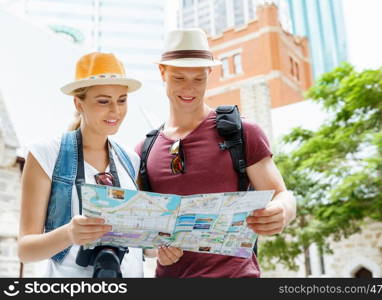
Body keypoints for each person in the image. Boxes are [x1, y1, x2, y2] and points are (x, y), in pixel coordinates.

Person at [135, 28, 297, 278]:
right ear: (162, 73)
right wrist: (156, 249)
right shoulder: (144, 151)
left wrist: (282, 211)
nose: (189, 89)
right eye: (179, 78)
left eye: (198, 79)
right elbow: (141, 230)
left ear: (209, 74)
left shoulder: (243, 133)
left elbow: (282, 195)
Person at [18, 52, 145, 277]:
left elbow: (143, 248)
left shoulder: (131, 159)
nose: (115, 111)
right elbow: (25, 250)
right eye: (103, 101)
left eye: (122, 100)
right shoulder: (46, 154)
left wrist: (160, 247)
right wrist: (69, 234)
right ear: (78, 103)